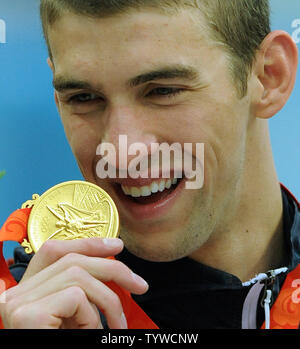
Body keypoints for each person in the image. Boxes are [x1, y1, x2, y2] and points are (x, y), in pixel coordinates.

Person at [0, 0, 299, 329]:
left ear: (269, 76)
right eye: (83, 97)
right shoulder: (19, 309)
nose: (121, 153)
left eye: (163, 91)